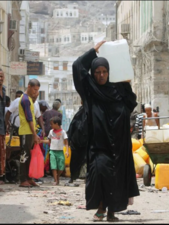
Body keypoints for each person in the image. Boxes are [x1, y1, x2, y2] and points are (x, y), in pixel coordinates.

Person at [72, 40, 139, 222]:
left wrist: (125, 80)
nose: (101, 76)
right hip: (98, 142)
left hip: (119, 141)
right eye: (97, 72)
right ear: (93, 74)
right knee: (99, 171)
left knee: (116, 175)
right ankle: (101, 207)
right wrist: (93, 52)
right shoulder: (89, 89)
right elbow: (77, 66)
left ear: (109, 73)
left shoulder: (118, 89)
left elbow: (131, 102)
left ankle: (111, 212)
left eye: (104, 72)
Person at [18, 79, 40, 187]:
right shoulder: (25, 99)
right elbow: (29, 118)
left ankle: (28, 177)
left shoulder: (30, 99)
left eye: (37, 90)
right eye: (34, 89)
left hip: (30, 132)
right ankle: (23, 179)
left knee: (29, 156)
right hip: (25, 132)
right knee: (24, 156)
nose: (35, 92)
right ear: (29, 86)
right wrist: (35, 134)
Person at [42, 116, 69, 185]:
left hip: (60, 152)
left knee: (61, 167)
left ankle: (57, 176)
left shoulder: (63, 132)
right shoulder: (51, 132)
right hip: (52, 151)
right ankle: (56, 180)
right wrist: (41, 141)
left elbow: (66, 142)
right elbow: (49, 141)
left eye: (52, 124)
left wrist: (67, 151)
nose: (50, 126)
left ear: (57, 124)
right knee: (53, 167)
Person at [67, 101, 88, 184]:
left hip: (83, 140)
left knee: (83, 159)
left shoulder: (84, 112)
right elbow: (73, 126)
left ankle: (76, 177)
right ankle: (74, 177)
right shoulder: (80, 113)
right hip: (78, 141)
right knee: (77, 159)